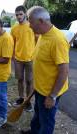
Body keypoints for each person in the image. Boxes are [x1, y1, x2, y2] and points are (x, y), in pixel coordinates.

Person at [21, 6, 70, 134]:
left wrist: (52, 96)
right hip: (40, 89)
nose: (29, 26)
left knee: (46, 122)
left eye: (31, 22)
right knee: (38, 115)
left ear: (41, 21)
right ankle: (34, 131)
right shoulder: (43, 34)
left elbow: (64, 71)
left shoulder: (57, 40)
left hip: (49, 92)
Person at [11, 5, 35, 111]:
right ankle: (21, 98)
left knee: (29, 81)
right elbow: (12, 43)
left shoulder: (32, 26)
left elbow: (39, 40)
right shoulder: (14, 28)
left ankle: (28, 101)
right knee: (20, 79)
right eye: (17, 15)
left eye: (20, 14)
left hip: (30, 59)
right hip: (18, 59)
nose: (19, 16)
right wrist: (13, 56)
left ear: (25, 14)